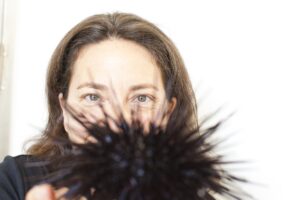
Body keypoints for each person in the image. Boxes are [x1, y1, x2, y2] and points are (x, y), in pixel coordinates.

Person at [0, 12, 198, 200]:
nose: (115, 121)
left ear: (168, 113)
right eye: (93, 97)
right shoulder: (13, 179)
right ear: (64, 109)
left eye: (142, 98)